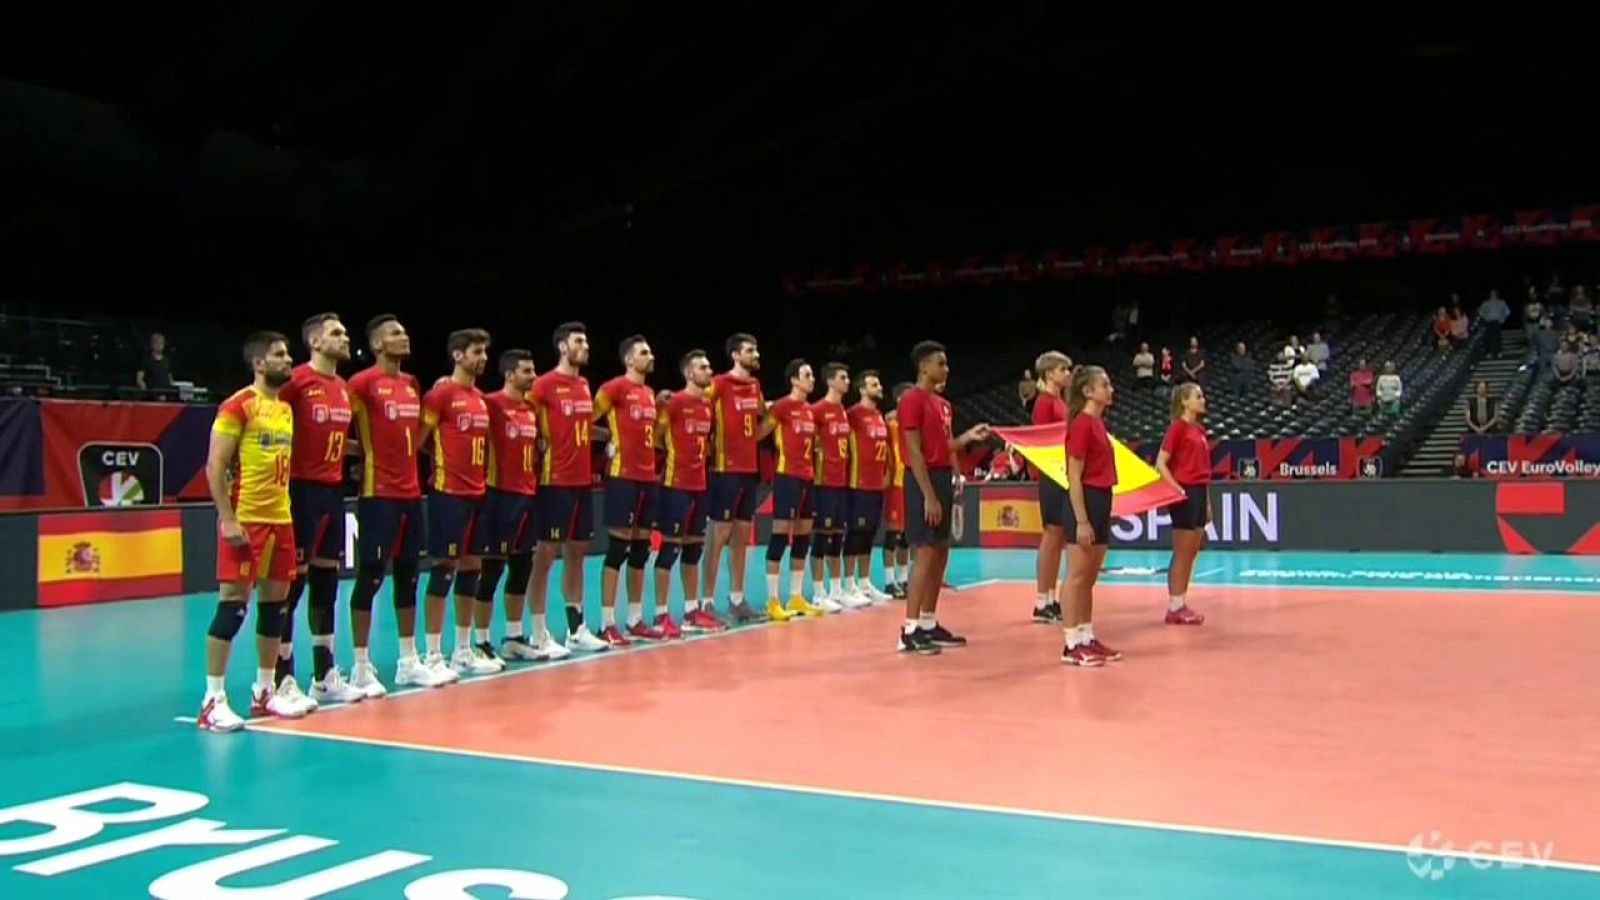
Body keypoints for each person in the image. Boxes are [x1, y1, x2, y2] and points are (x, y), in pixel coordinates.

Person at [197, 332, 315, 732]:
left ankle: (264, 691)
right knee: (233, 605)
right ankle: (212, 701)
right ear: (259, 363)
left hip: (281, 519)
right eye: (280, 355)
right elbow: (215, 465)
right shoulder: (238, 405)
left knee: (275, 606)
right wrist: (227, 519)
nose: (288, 361)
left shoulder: (283, 409)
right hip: (247, 519)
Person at [348, 315, 452, 688]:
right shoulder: (360, 385)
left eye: (405, 331)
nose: (404, 336)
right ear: (377, 344)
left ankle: (409, 660)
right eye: (395, 333)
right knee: (371, 576)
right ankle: (360, 666)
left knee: (408, 576)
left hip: (411, 494)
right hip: (378, 495)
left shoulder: (411, 384)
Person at [275, 312, 368, 705]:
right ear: (315, 342)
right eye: (336, 333)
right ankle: (281, 676)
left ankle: (325, 673)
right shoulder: (295, 382)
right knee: (290, 587)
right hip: (299, 492)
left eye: (345, 331)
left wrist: (361, 452)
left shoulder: (343, 387)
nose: (345, 337)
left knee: (326, 583)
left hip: (333, 491)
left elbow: (328, 435)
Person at [898, 341, 990, 655]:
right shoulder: (911, 400)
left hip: (941, 477)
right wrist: (928, 495)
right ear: (924, 367)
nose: (946, 369)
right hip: (921, 479)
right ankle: (908, 630)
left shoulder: (944, 404)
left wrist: (965, 439)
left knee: (940, 551)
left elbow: (943, 445)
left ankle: (928, 621)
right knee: (925, 552)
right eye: (941, 363)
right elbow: (914, 450)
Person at [479, 350, 570, 663]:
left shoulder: (531, 408)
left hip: (527, 495)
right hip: (498, 495)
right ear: (509, 374)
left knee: (521, 567)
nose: (534, 376)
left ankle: (514, 638)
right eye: (527, 371)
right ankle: (478, 641)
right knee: (491, 569)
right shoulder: (489, 404)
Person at [421, 329, 499, 677]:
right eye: (476, 352)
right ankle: (433, 654)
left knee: (471, 569)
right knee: (444, 570)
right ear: (457, 355)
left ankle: (463, 649)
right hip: (448, 493)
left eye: (484, 352)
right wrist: (442, 460)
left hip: (478, 494)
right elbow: (420, 440)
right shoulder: (440, 395)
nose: (483, 358)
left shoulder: (480, 398)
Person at [528, 322, 609, 653]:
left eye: (586, 340)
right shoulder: (543, 385)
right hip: (554, 481)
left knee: (577, 552)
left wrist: (609, 436)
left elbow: (583, 428)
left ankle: (576, 628)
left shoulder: (585, 385)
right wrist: (537, 441)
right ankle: (537, 631)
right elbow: (521, 415)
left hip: (582, 481)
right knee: (545, 555)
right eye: (579, 340)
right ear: (563, 347)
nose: (585, 345)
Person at [593, 335, 665, 645]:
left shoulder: (649, 393)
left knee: (640, 550)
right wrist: (607, 438)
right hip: (622, 477)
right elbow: (583, 420)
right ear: (628, 360)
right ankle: (607, 623)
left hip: (648, 478)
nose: (650, 356)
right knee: (617, 549)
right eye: (643, 352)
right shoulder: (613, 389)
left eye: (649, 351)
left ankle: (635, 619)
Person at [654, 349, 721, 635]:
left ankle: (692, 611)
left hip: (700, 484)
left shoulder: (707, 405)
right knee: (669, 549)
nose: (709, 371)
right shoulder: (675, 403)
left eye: (708, 366)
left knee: (693, 549)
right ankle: (660, 616)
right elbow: (656, 436)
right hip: (675, 484)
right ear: (688, 373)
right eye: (702, 367)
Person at [701, 334, 766, 626]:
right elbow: (699, 409)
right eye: (750, 350)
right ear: (736, 355)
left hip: (748, 470)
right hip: (724, 470)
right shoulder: (718, 384)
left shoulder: (754, 386)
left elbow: (763, 416)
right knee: (718, 537)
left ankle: (737, 600)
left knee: (741, 536)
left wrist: (753, 440)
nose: (756, 354)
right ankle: (705, 602)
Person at [1061, 365, 1119, 667]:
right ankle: (1071, 644)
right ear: (1088, 392)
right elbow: (1074, 475)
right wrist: (1082, 520)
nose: (1111, 390)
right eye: (1105, 385)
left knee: (1090, 577)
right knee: (1077, 575)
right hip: (1084, 501)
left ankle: (1086, 636)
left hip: (1101, 499)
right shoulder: (1082, 424)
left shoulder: (1098, 424)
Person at [763, 360, 824, 621]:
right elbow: (759, 433)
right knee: (779, 537)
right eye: (807, 375)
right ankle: (772, 601)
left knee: (802, 537)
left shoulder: (811, 412)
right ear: (794, 380)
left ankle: (796, 596)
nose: (812, 379)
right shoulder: (781, 407)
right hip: (787, 477)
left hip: (808, 478)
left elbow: (817, 443)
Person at [1154, 383, 1208, 626]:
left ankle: (1182, 602)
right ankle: (1175, 606)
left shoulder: (1199, 430)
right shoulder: (1177, 428)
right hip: (1184, 494)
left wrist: (1207, 502)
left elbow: (1202, 470)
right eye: (1198, 396)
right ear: (1185, 401)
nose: (1203, 400)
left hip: (1199, 490)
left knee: (1193, 551)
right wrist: (1176, 488)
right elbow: (1160, 463)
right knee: (1182, 552)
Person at [808, 362, 858, 611]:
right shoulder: (818, 410)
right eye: (843, 377)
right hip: (823, 482)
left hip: (842, 481)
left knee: (838, 536)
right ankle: (818, 593)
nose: (847, 381)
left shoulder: (842, 412)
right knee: (822, 538)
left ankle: (837, 590)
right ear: (830, 381)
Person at [843, 369, 893, 606]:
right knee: (855, 534)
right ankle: (849, 585)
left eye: (879, 383)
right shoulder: (853, 414)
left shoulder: (879, 415)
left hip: (876, 484)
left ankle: (864, 583)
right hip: (858, 483)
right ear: (862, 389)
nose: (879, 387)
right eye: (874, 384)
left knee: (869, 536)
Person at [1030, 351, 1070, 624]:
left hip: (1063, 473)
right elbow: (1040, 440)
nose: (1068, 373)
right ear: (1049, 374)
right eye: (1063, 369)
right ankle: (1041, 600)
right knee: (1052, 533)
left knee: (1059, 537)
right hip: (1052, 474)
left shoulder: (1060, 401)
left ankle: (1052, 597)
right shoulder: (1044, 402)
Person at [881, 382, 913, 598]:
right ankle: (889, 581)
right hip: (896, 483)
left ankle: (903, 578)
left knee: (907, 537)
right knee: (893, 534)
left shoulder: (915, 421)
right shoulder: (890, 421)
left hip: (912, 482)